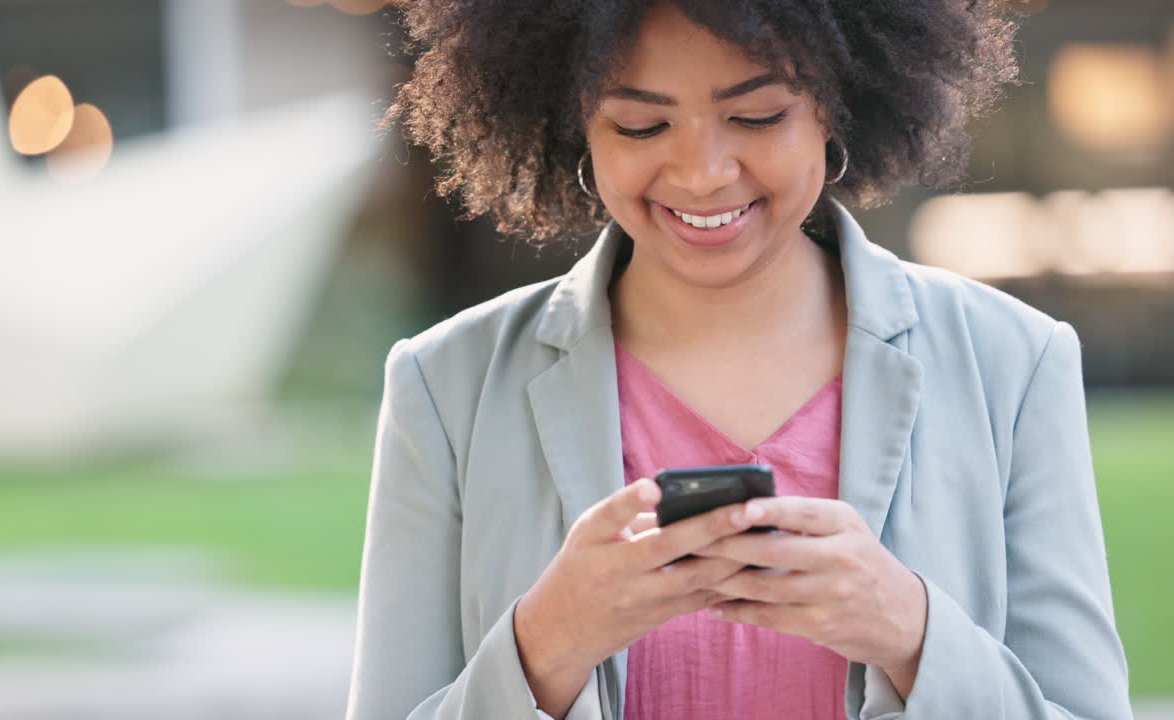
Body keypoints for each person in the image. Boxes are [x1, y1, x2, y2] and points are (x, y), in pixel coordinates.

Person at [345, 1, 1131, 718]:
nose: (703, 173)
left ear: (836, 107)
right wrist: (547, 642)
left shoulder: (1013, 363)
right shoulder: (445, 386)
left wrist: (911, 631)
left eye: (757, 116)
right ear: (575, 125)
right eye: (641, 126)